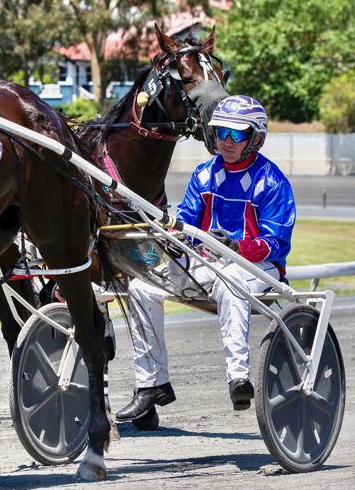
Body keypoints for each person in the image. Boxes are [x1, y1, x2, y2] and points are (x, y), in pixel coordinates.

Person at [116, 95, 296, 423]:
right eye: (221, 132)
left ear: (256, 138)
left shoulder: (271, 181)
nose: (226, 141)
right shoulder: (204, 175)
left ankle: (238, 378)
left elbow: (277, 243)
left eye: (236, 134)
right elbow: (186, 221)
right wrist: (170, 238)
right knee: (142, 288)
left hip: (256, 268)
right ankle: (151, 385)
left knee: (231, 282)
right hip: (208, 264)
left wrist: (238, 247)